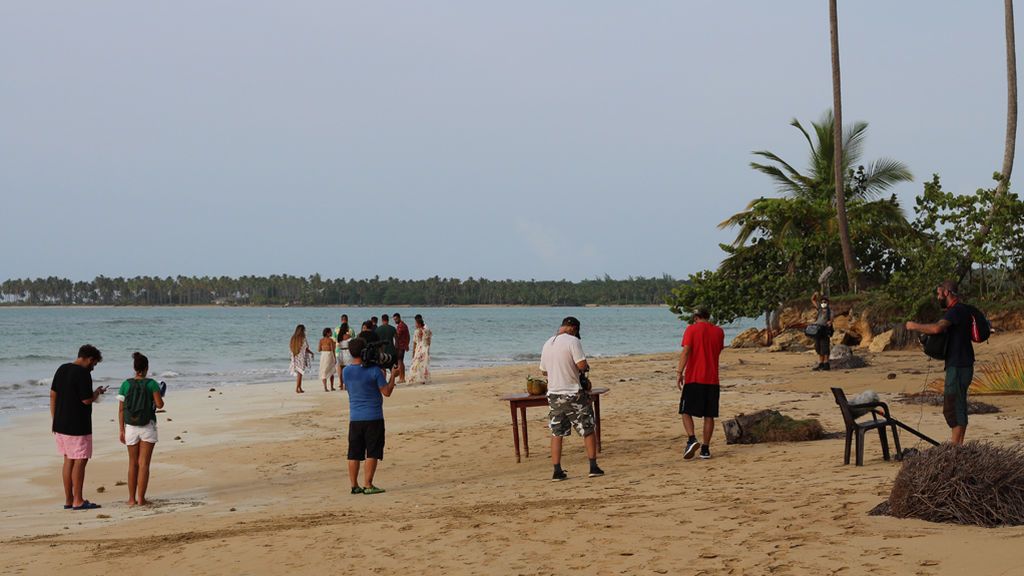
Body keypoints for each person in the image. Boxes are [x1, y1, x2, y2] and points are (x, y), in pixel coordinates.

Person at [906, 280, 976, 445]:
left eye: (939, 293)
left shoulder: (955, 311)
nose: (938, 297)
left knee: (952, 407)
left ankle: (955, 447)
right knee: (959, 405)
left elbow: (937, 328)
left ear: (947, 292)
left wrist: (914, 325)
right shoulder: (963, 310)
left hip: (958, 366)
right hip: (964, 364)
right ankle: (958, 445)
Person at [539, 316, 603, 481]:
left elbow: (544, 371)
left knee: (557, 432)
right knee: (587, 428)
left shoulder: (547, 343)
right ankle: (593, 466)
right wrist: (584, 368)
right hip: (573, 392)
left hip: (553, 394)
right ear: (574, 329)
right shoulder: (573, 341)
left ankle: (557, 470)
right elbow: (581, 365)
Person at [50, 344, 106, 510]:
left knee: (68, 459)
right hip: (78, 425)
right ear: (89, 359)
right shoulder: (83, 374)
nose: (93, 368)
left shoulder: (62, 369)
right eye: (94, 364)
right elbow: (86, 400)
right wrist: (97, 393)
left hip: (60, 423)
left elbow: (53, 394)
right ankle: (78, 500)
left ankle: (69, 499)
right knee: (80, 460)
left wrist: (55, 418)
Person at [343, 337, 397, 495]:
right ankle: (368, 484)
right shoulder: (374, 371)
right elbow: (386, 392)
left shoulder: (346, 371)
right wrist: (393, 375)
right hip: (373, 416)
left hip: (355, 418)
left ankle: (354, 485)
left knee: (354, 453)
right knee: (372, 451)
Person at [117, 352, 165, 506]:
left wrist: (121, 430)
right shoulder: (151, 384)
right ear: (146, 368)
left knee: (132, 464)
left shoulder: (125, 384)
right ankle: (141, 499)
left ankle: (131, 499)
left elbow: (121, 410)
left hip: (130, 426)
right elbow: (159, 405)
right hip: (147, 426)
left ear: (134, 368)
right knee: (144, 464)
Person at [676, 308, 725, 460]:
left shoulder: (691, 329)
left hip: (694, 377)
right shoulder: (719, 332)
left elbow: (686, 351)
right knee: (709, 414)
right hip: (712, 379)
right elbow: (717, 351)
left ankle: (691, 439)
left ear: (696, 317)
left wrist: (679, 372)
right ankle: (705, 449)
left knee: (685, 411)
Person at [810, 292, 833, 371]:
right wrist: (815, 294)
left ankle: (826, 363)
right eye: (822, 302)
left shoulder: (830, 311)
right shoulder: (819, 309)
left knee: (825, 347)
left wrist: (829, 323)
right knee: (818, 347)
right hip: (817, 330)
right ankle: (821, 363)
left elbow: (831, 319)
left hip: (824, 330)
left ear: (828, 303)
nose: (823, 303)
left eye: (825, 302)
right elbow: (813, 300)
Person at [289, 324, 313, 394]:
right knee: (300, 373)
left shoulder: (293, 338)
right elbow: (305, 348)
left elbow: (290, 346)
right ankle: (297, 388)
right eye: (304, 330)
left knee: (299, 373)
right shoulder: (303, 338)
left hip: (294, 356)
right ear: (302, 330)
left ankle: (299, 387)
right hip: (301, 357)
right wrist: (311, 353)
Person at [408, 314, 432, 384]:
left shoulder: (416, 331)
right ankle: (422, 379)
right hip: (424, 348)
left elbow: (415, 342)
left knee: (416, 363)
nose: (415, 324)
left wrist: (413, 352)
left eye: (416, 323)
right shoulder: (427, 330)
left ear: (418, 324)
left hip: (419, 348)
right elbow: (429, 341)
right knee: (423, 364)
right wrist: (428, 349)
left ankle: (414, 378)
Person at [375, 313, 398, 385]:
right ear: (388, 320)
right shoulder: (393, 328)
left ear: (382, 320)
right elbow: (396, 340)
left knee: (382, 368)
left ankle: (383, 382)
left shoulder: (378, 330)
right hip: (391, 351)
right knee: (392, 368)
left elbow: (377, 342)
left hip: (382, 352)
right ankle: (392, 382)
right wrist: (396, 349)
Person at [393, 313, 410, 384]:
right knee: (401, 361)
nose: (395, 321)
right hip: (402, 345)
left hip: (400, 346)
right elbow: (408, 336)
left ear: (399, 318)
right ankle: (402, 377)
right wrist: (407, 344)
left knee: (400, 361)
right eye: (394, 319)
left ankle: (402, 378)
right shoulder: (403, 325)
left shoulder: (401, 326)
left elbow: (397, 335)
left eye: (396, 319)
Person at [336, 321, 352, 389]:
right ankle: (346, 384)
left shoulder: (339, 336)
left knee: (341, 370)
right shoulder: (348, 336)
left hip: (340, 352)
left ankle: (341, 384)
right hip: (347, 352)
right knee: (347, 369)